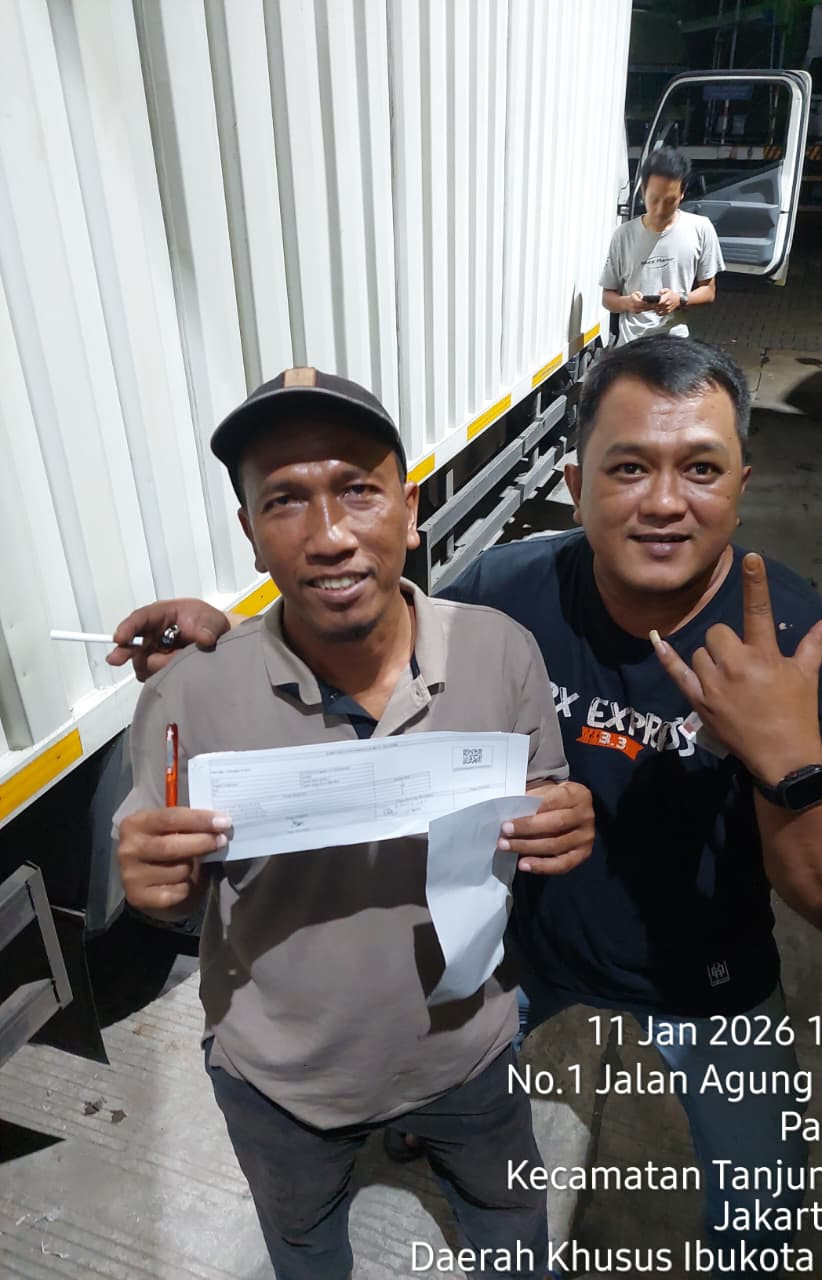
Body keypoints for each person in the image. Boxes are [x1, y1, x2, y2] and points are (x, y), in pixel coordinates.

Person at [111, 338, 822, 1278]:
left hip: (706, 975)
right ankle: (428, 1115)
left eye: (699, 467)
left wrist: (789, 765)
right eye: (628, 467)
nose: (663, 501)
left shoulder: (802, 650)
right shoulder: (512, 594)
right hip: (531, 957)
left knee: (762, 1202)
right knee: (464, 1095)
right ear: (575, 483)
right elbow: (370, 623)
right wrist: (229, 656)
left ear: (741, 482)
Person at [113, 367, 595, 1280]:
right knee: (305, 1253)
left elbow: (542, 800)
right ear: (252, 534)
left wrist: (563, 824)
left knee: (511, 1226)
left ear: (410, 510)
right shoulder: (188, 696)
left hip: (469, 1052)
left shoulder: (500, 651)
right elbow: (171, 899)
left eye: (358, 490)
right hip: (283, 1083)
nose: (330, 534)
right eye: (285, 500)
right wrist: (154, 890)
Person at [601, 146, 724, 341]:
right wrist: (628, 303)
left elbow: (709, 291)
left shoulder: (701, 229)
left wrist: (680, 299)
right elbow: (607, 297)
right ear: (643, 190)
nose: (660, 209)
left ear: (682, 193)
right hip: (631, 344)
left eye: (669, 201)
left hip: (675, 343)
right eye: (654, 199)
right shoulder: (623, 235)